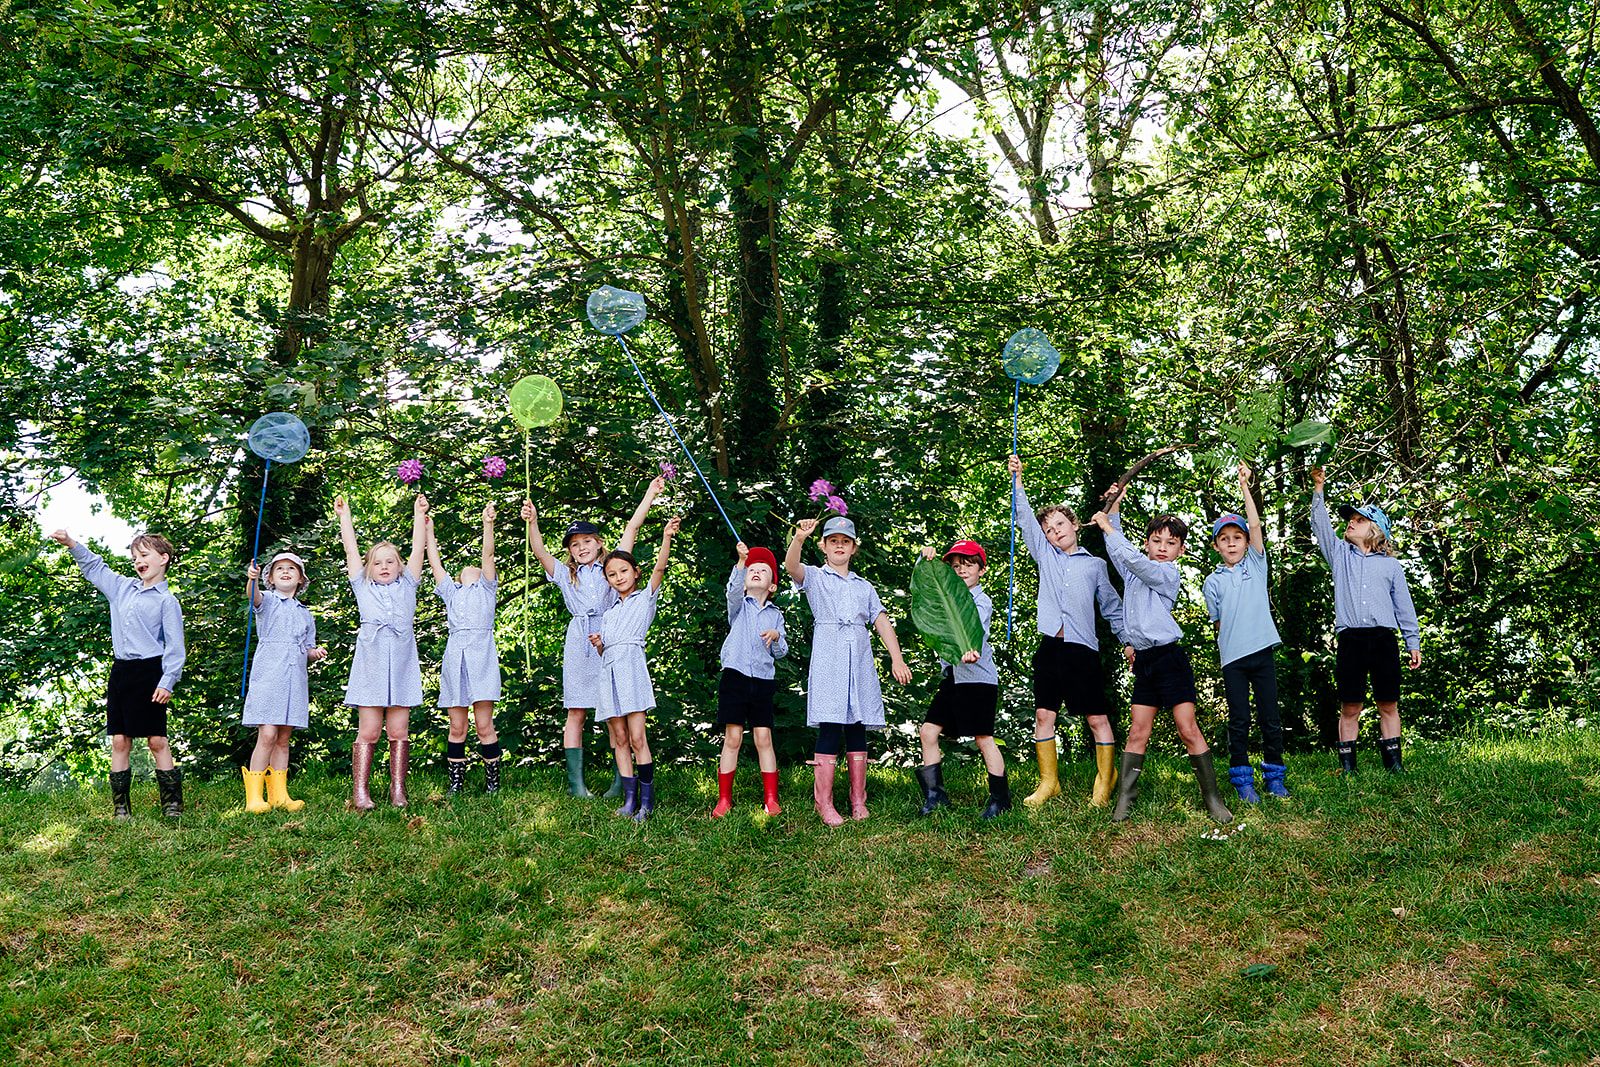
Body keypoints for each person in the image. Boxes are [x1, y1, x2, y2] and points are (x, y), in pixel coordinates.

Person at [1090, 481, 1234, 825]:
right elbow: (1120, 552)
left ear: (1180, 550)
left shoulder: (1165, 573)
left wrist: (1108, 526)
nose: (1163, 548)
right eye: (1156, 542)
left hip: (1170, 660)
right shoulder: (1135, 569)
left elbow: (1128, 555)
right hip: (1144, 662)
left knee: (1187, 728)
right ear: (1147, 543)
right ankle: (1126, 798)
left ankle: (1212, 797)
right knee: (1138, 731)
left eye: (1171, 543)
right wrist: (1116, 505)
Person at [522, 477, 664, 799]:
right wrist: (533, 522)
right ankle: (577, 786)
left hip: (611, 639)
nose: (581, 547)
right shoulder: (565, 574)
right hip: (578, 642)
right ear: (570, 550)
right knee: (576, 711)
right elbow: (539, 550)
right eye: (575, 544)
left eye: (587, 541)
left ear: (599, 543)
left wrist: (649, 495)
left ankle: (620, 783)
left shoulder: (610, 567)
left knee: (618, 709)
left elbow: (632, 528)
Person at [1008, 455, 1131, 808]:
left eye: (1061, 524)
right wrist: (1018, 481)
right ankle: (1049, 783)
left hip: (1083, 651)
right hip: (1051, 646)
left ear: (1075, 525)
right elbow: (1026, 521)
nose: (1055, 531)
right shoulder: (1045, 556)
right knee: (1044, 715)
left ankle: (1103, 786)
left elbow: (1111, 608)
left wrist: (1127, 642)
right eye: (1049, 529)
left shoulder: (1094, 565)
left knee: (1096, 718)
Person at [783, 515, 913, 826]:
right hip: (830, 656)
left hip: (859, 658)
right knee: (830, 724)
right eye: (833, 541)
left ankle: (858, 800)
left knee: (857, 723)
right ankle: (824, 803)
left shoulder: (864, 586)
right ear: (823, 547)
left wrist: (897, 659)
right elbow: (791, 567)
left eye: (846, 541)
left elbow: (881, 621)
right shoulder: (815, 577)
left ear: (854, 548)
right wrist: (799, 538)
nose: (839, 546)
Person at [51, 528, 186, 819]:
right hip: (122, 672)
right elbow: (94, 566)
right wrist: (71, 543)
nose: (138, 561)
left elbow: (175, 647)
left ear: (163, 559)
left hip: (151, 672)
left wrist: (168, 681)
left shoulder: (167, 601)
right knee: (120, 739)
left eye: (144, 555)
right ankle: (121, 807)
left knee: (156, 740)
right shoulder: (121, 588)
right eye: (134, 556)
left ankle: (172, 804)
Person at [1311, 467, 1422, 774]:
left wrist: (1412, 643)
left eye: (1359, 520)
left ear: (1375, 530)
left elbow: (1404, 607)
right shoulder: (1339, 555)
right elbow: (1320, 527)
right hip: (1351, 640)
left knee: (1388, 703)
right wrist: (1318, 489)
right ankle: (1348, 767)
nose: (1351, 522)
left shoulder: (1391, 567)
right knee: (1350, 705)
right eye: (1350, 519)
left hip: (1384, 640)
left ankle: (1394, 764)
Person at [1204, 463, 1290, 803]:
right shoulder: (1212, 582)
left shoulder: (1256, 565)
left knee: (1271, 717)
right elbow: (1219, 623)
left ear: (1246, 542)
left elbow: (1255, 523)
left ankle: (1275, 777)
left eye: (1237, 538)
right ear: (1217, 547)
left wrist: (1245, 486)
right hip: (1233, 660)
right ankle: (1242, 781)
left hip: (1262, 654)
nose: (1232, 543)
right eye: (1224, 539)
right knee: (1239, 720)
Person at [336, 492, 427, 810]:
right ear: (369, 569)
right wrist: (345, 517)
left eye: (390, 561)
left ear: (400, 567)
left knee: (399, 730)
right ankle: (360, 792)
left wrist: (419, 515)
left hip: (401, 662)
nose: (384, 566)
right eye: (377, 562)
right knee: (370, 730)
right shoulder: (363, 586)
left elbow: (419, 549)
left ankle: (397, 789)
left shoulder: (408, 585)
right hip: (371, 663)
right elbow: (351, 549)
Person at [589, 516, 682, 823]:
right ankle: (629, 800)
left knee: (638, 737)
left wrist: (666, 537)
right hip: (610, 672)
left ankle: (647, 801)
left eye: (624, 571)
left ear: (635, 572)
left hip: (632, 669)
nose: (618, 577)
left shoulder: (645, 599)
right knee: (618, 738)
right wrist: (600, 643)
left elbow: (660, 569)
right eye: (612, 574)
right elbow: (606, 650)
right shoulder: (610, 611)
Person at [913, 541, 1009, 820]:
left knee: (983, 739)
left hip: (978, 679)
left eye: (968, 564)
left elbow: (973, 630)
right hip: (954, 679)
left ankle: (1000, 799)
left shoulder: (981, 600)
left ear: (981, 569)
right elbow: (924, 596)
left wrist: (969, 648)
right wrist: (924, 560)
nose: (961, 569)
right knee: (928, 732)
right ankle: (936, 797)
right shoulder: (947, 600)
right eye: (955, 566)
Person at [425, 505, 504, 796]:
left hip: (481, 660)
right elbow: (434, 562)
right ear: (458, 577)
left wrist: (488, 524)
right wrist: (429, 531)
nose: (471, 566)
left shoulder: (486, 589)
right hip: (454, 660)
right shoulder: (451, 592)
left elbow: (488, 555)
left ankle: (493, 784)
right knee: (457, 727)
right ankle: (455, 785)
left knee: (484, 726)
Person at [241, 552, 326, 813]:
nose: (286, 572)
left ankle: (279, 795)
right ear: (270, 578)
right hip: (269, 676)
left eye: (292, 569)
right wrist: (251, 580)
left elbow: (307, 650)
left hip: (294, 681)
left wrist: (315, 653)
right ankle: (254, 798)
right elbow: (252, 597)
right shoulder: (267, 601)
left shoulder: (305, 614)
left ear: (301, 579)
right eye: (279, 569)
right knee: (267, 734)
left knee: (283, 738)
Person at [711, 542, 788, 817]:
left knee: (763, 738)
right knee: (732, 738)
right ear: (744, 582)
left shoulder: (776, 616)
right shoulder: (738, 607)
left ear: (772, 587)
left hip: (763, 682)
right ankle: (724, 799)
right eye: (751, 570)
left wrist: (777, 637)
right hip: (735, 677)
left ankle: (771, 799)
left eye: (763, 570)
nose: (756, 571)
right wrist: (741, 562)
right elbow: (731, 591)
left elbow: (781, 652)